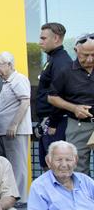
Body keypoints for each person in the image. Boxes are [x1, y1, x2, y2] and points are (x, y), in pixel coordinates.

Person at [48, 34, 94, 176]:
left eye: (93, 55)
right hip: (78, 124)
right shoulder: (65, 71)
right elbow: (52, 97)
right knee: (77, 167)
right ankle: (82, 198)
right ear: (76, 50)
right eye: (85, 55)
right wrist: (74, 108)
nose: (90, 59)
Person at [0, 51, 32, 207]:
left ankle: (20, 198)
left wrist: (14, 124)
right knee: (8, 165)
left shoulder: (18, 79)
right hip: (5, 131)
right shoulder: (7, 82)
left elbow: (25, 102)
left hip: (15, 131)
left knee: (17, 164)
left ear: (9, 64)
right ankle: (11, 196)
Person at [35, 23, 72, 171]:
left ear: (56, 38)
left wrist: (53, 123)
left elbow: (60, 95)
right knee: (47, 166)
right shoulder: (53, 59)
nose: (40, 42)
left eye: (43, 38)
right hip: (49, 122)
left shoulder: (61, 62)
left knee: (57, 169)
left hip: (55, 124)